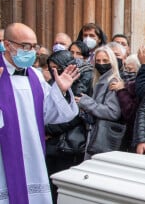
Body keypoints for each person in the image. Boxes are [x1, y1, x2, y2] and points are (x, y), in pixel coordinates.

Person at [0, 23, 79, 204]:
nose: (32, 52)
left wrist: (60, 91)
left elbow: (49, 114)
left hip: (32, 154)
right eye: (25, 46)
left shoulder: (36, 76)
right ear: (7, 44)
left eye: (34, 46)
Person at [45, 50, 86, 203]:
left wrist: (49, 130)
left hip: (66, 144)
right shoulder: (50, 84)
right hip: (50, 144)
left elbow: (74, 117)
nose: (54, 71)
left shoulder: (78, 86)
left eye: (57, 67)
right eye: (51, 68)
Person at [75, 45, 122, 159]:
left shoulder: (113, 81)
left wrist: (86, 102)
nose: (101, 63)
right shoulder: (98, 80)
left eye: (105, 60)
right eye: (98, 60)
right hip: (95, 135)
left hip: (103, 138)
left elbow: (113, 112)